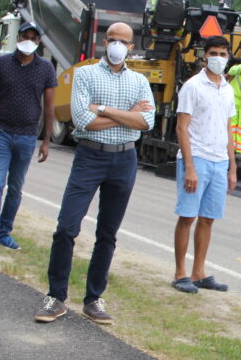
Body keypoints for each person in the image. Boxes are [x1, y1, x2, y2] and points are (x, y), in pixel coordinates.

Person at [34, 22, 155, 325]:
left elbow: (147, 122)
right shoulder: (85, 74)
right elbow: (81, 119)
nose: (117, 46)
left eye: (123, 41)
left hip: (124, 159)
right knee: (66, 227)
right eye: (112, 40)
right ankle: (56, 297)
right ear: (105, 42)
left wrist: (102, 110)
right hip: (90, 157)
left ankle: (93, 299)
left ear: (131, 47)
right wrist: (127, 116)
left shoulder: (140, 81)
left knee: (108, 233)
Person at [0, 22, 57, 258]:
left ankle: (4, 232)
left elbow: (49, 106)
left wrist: (46, 140)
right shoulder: (1, 64)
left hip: (27, 135)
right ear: (18, 37)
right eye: (24, 36)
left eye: (33, 37)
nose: (28, 40)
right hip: (0, 132)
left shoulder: (45, 68)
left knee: (16, 188)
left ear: (39, 42)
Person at [171, 36, 237, 294]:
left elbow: (228, 129)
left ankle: (199, 272)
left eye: (222, 53)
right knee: (188, 215)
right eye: (213, 53)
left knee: (208, 218)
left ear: (228, 57)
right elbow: (181, 127)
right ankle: (180, 273)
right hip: (196, 157)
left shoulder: (228, 89)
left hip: (219, 161)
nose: (218, 58)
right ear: (204, 55)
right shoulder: (192, 86)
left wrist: (232, 167)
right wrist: (189, 166)